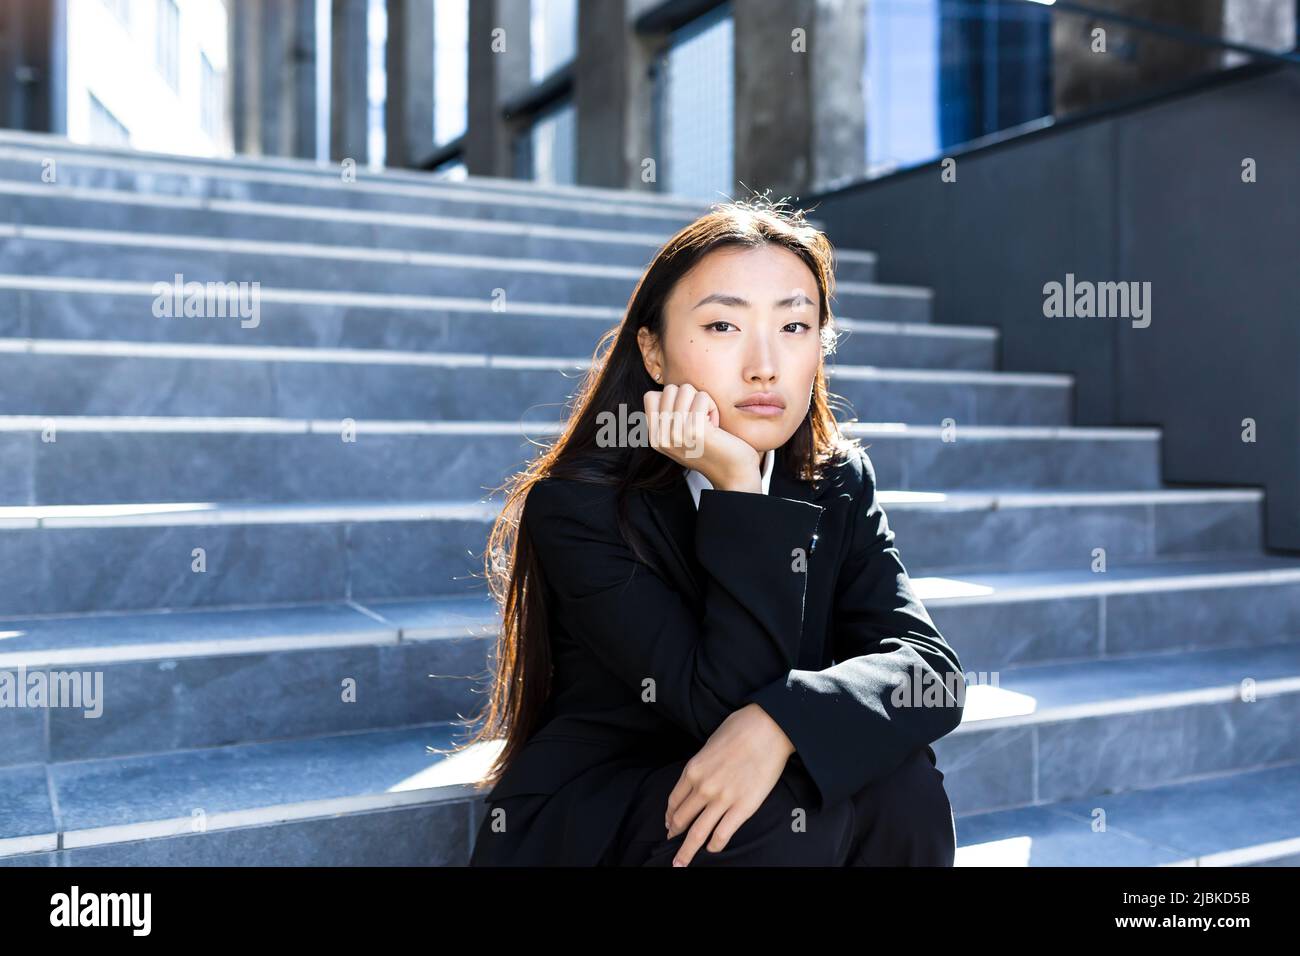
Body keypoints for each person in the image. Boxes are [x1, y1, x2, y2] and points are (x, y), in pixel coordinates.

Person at [452, 194, 965, 866]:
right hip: (605, 811)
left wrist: (784, 720)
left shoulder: (837, 481)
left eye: (794, 327)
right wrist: (737, 486)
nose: (764, 365)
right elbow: (715, 705)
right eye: (723, 327)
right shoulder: (580, 506)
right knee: (771, 813)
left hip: (760, 803)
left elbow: (931, 674)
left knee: (905, 785)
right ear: (654, 354)